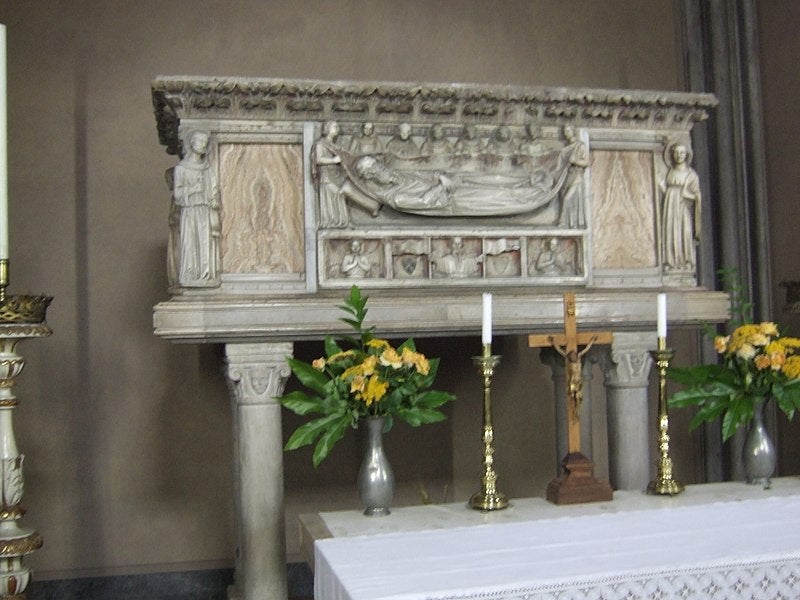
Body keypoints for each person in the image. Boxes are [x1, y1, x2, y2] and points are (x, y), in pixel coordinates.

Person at [173, 130, 220, 287]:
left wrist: (213, 200)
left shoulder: (207, 168)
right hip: (190, 210)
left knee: (205, 242)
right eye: (200, 142)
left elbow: (213, 188)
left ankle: (206, 274)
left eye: (205, 143)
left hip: (204, 210)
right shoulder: (181, 169)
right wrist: (193, 189)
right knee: (190, 242)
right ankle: (191, 274)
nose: (203, 146)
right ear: (192, 144)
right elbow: (178, 195)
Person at [661, 142, 701, 271]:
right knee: (670, 231)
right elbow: (666, 189)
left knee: (684, 231)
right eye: (676, 152)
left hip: (682, 207)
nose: (679, 155)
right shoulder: (670, 172)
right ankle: (671, 261)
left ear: (687, 155)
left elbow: (697, 196)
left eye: (682, 152)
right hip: (670, 206)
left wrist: (685, 194)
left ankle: (685, 261)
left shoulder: (691, 175)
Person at [312, 121, 349, 227]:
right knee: (331, 195)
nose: (337, 129)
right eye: (335, 127)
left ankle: (341, 221)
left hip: (336, 174)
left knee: (340, 194)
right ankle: (331, 221)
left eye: (338, 127)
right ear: (327, 129)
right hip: (327, 175)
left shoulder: (334, 146)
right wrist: (333, 160)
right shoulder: (320, 144)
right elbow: (318, 159)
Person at [558, 125, 589, 228]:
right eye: (565, 132)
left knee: (568, 198)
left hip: (577, 176)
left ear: (573, 131)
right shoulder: (566, 149)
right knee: (564, 198)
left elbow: (586, 162)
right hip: (568, 176)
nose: (566, 133)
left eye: (568, 131)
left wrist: (575, 161)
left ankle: (567, 223)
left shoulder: (581, 146)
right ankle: (568, 223)